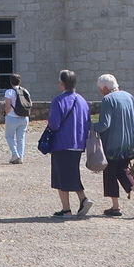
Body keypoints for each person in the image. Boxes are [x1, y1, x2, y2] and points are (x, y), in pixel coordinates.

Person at [94, 74, 134, 216]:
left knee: (110, 172)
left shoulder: (107, 100)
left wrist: (89, 126)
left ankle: (116, 206)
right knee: (122, 170)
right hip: (130, 142)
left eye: (100, 89)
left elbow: (104, 124)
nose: (100, 91)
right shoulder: (128, 96)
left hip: (113, 145)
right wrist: (132, 129)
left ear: (105, 88)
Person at [46, 69, 91, 217]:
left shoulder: (58, 101)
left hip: (62, 142)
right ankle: (82, 200)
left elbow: (54, 124)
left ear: (61, 83)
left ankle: (67, 209)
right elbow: (88, 122)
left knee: (61, 177)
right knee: (72, 173)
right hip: (78, 143)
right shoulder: (82, 101)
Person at [3, 73, 31, 164]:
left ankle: (15, 154)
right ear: (20, 81)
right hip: (24, 117)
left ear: (11, 82)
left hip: (12, 116)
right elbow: (30, 103)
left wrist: (6, 114)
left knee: (9, 136)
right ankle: (21, 157)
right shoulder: (25, 91)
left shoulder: (9, 92)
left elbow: (8, 106)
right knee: (21, 138)